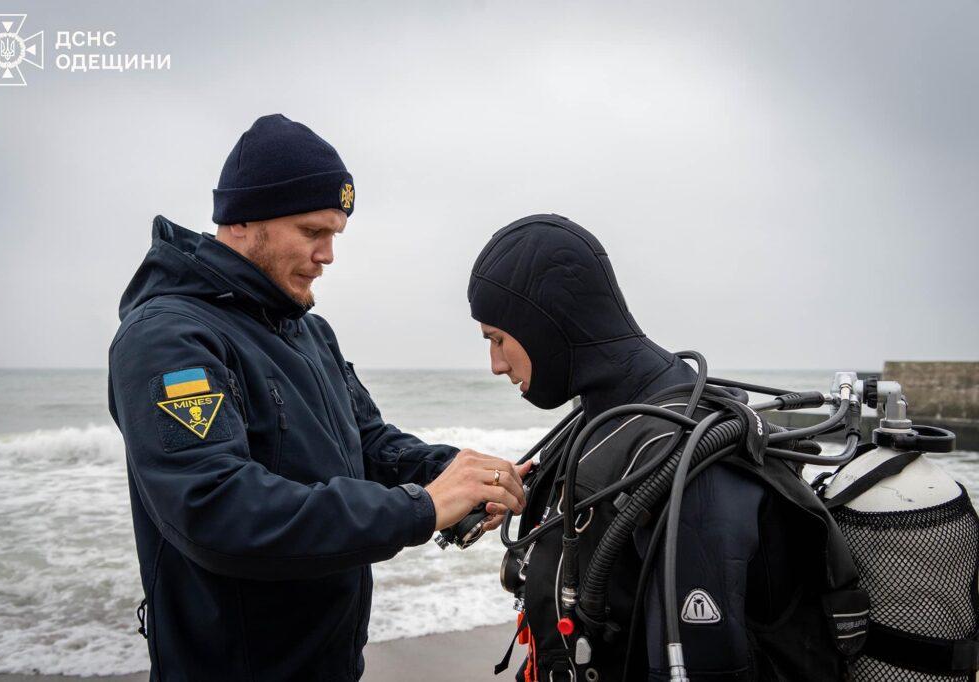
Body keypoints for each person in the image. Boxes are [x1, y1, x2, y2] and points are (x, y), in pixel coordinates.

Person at [107, 114, 526, 681]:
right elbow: (216, 508)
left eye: (334, 235)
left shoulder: (307, 331)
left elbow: (370, 444)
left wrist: (461, 475)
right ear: (244, 219)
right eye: (312, 232)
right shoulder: (170, 338)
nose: (328, 255)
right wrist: (421, 509)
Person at [467, 214, 866, 681]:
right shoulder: (605, 420)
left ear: (547, 326)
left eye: (497, 339)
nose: (494, 364)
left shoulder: (691, 465)